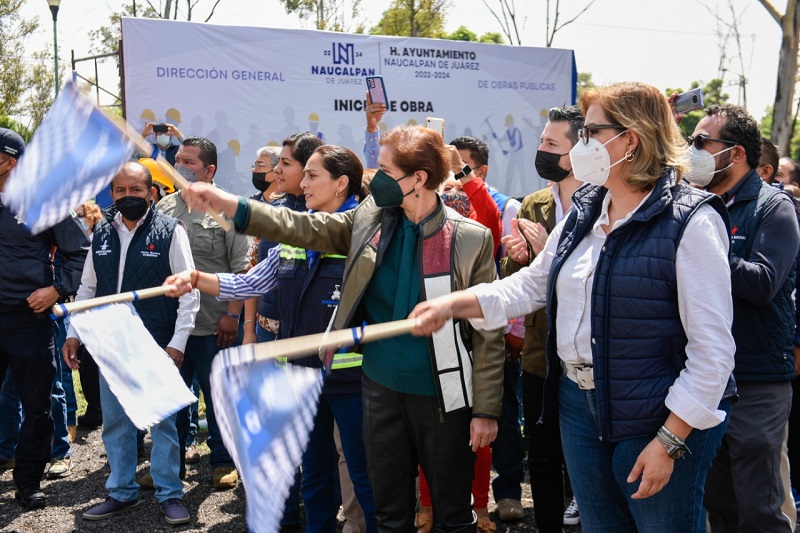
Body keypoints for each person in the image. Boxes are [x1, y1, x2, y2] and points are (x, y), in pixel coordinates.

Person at [411, 82, 737, 533]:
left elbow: (713, 353)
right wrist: (452, 304)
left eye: (590, 133)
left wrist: (669, 441)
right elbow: (532, 285)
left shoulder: (692, 221)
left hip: (656, 414)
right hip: (578, 408)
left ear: (631, 139)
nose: (579, 147)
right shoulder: (586, 208)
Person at [176, 125, 505, 531]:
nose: (376, 176)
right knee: (388, 512)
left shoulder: (470, 239)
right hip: (380, 388)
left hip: (442, 394)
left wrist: (486, 410)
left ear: (418, 178)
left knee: (452, 514)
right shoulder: (370, 219)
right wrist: (232, 205)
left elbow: (489, 330)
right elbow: (303, 228)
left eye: (385, 169)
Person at [167, 144, 378, 533]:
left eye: (313, 175)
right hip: (302, 376)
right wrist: (196, 279)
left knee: (365, 478)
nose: (304, 182)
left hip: (352, 381)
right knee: (314, 474)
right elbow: (250, 281)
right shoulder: (301, 230)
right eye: (307, 173)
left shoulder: (364, 232)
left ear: (342, 183)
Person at [683, 104, 800, 532]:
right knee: (720, 508)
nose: (691, 150)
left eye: (701, 142)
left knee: (760, 510)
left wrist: (703, 248)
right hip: (706, 378)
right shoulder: (695, 205)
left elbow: (763, 282)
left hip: (756, 379)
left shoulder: (774, 208)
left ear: (734, 154)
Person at [62, 161, 199, 525]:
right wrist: (74, 334)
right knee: (116, 424)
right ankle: (122, 492)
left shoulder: (171, 231)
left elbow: (188, 293)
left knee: (164, 425)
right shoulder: (102, 233)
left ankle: (170, 494)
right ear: (112, 194)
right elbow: (87, 289)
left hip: (156, 343)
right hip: (111, 344)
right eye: (120, 191)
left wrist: (178, 343)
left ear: (151, 192)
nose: (127, 197)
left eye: (135, 190)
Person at [499, 105, 585, 532]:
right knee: (544, 457)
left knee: (586, 463)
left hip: (588, 360)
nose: (542, 150)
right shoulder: (532, 203)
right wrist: (517, 260)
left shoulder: (605, 202)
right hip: (539, 357)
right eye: (541, 142)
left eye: (552, 144)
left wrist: (551, 250)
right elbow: (520, 281)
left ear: (578, 151)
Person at [0, 127, 89, 510]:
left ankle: (28, 481)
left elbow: (80, 252)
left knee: (37, 404)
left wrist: (56, 289)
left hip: (26, 318)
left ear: (9, 161)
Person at [156, 136, 251, 490]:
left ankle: (224, 461)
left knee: (219, 397)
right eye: (178, 159)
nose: (180, 166)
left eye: (189, 162)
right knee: (173, 399)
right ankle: (171, 462)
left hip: (215, 323)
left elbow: (242, 269)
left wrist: (233, 315)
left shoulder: (229, 210)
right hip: (173, 325)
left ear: (209, 170)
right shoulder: (165, 207)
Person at [450, 135, 526, 523]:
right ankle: (435, 503)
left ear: (479, 170)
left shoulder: (500, 205)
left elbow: (516, 271)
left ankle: (506, 492)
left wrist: (516, 331)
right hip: (445, 336)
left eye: (460, 165)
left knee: (499, 416)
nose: (452, 172)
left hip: (489, 331)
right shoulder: (434, 202)